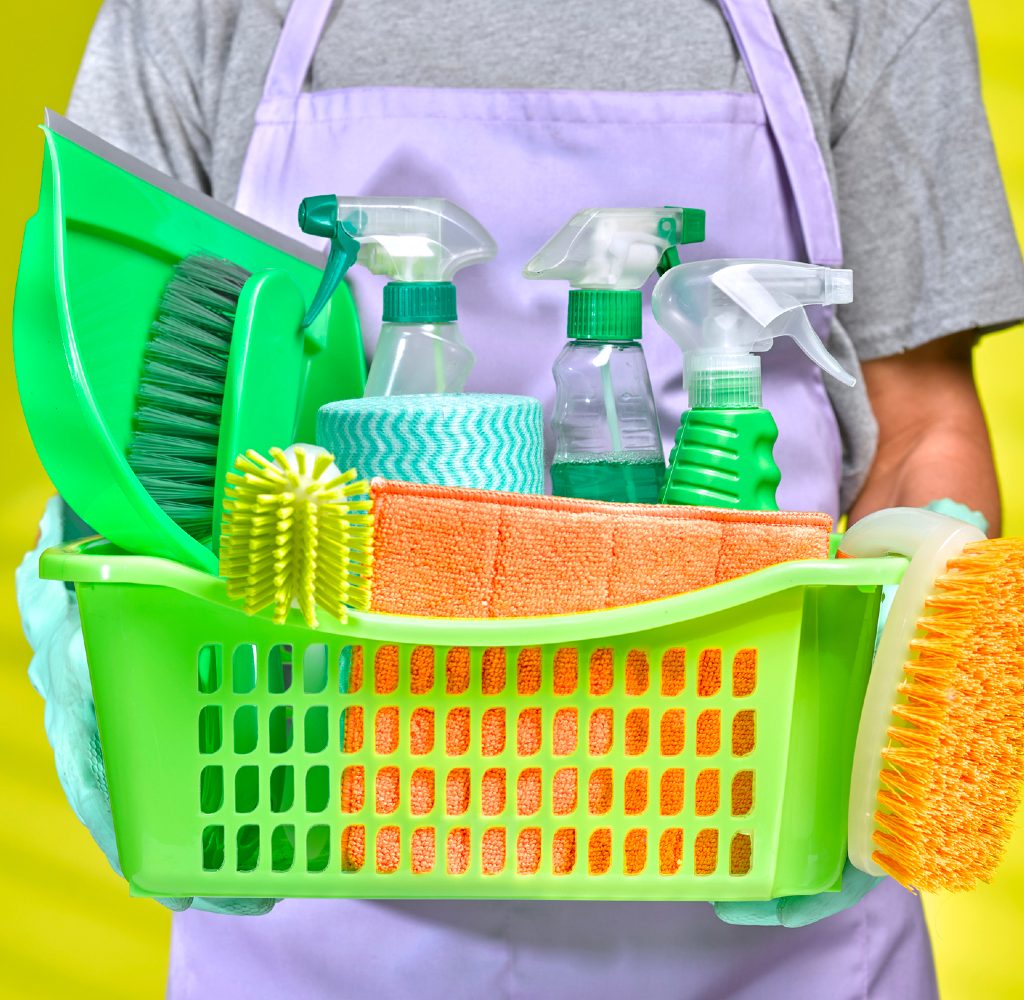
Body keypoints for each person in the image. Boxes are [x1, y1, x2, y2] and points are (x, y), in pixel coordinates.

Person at [19, 0, 1024, 997]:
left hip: (754, 857)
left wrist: (896, 679)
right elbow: (133, 406)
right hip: (305, 866)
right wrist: (103, 635)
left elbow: (921, 416)